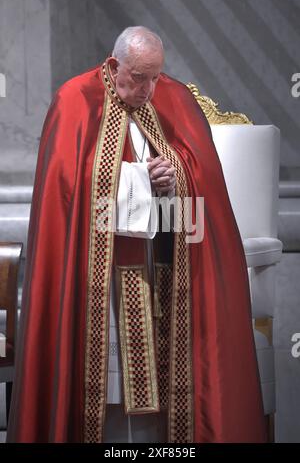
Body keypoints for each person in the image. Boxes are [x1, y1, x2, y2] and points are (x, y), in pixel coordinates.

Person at [7, 26, 267, 443]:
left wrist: (173, 177)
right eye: (139, 77)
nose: (149, 89)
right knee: (110, 386)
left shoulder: (174, 98)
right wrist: (137, 179)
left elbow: (202, 181)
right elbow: (68, 189)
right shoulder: (73, 100)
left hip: (162, 261)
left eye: (155, 77)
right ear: (113, 65)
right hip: (100, 275)